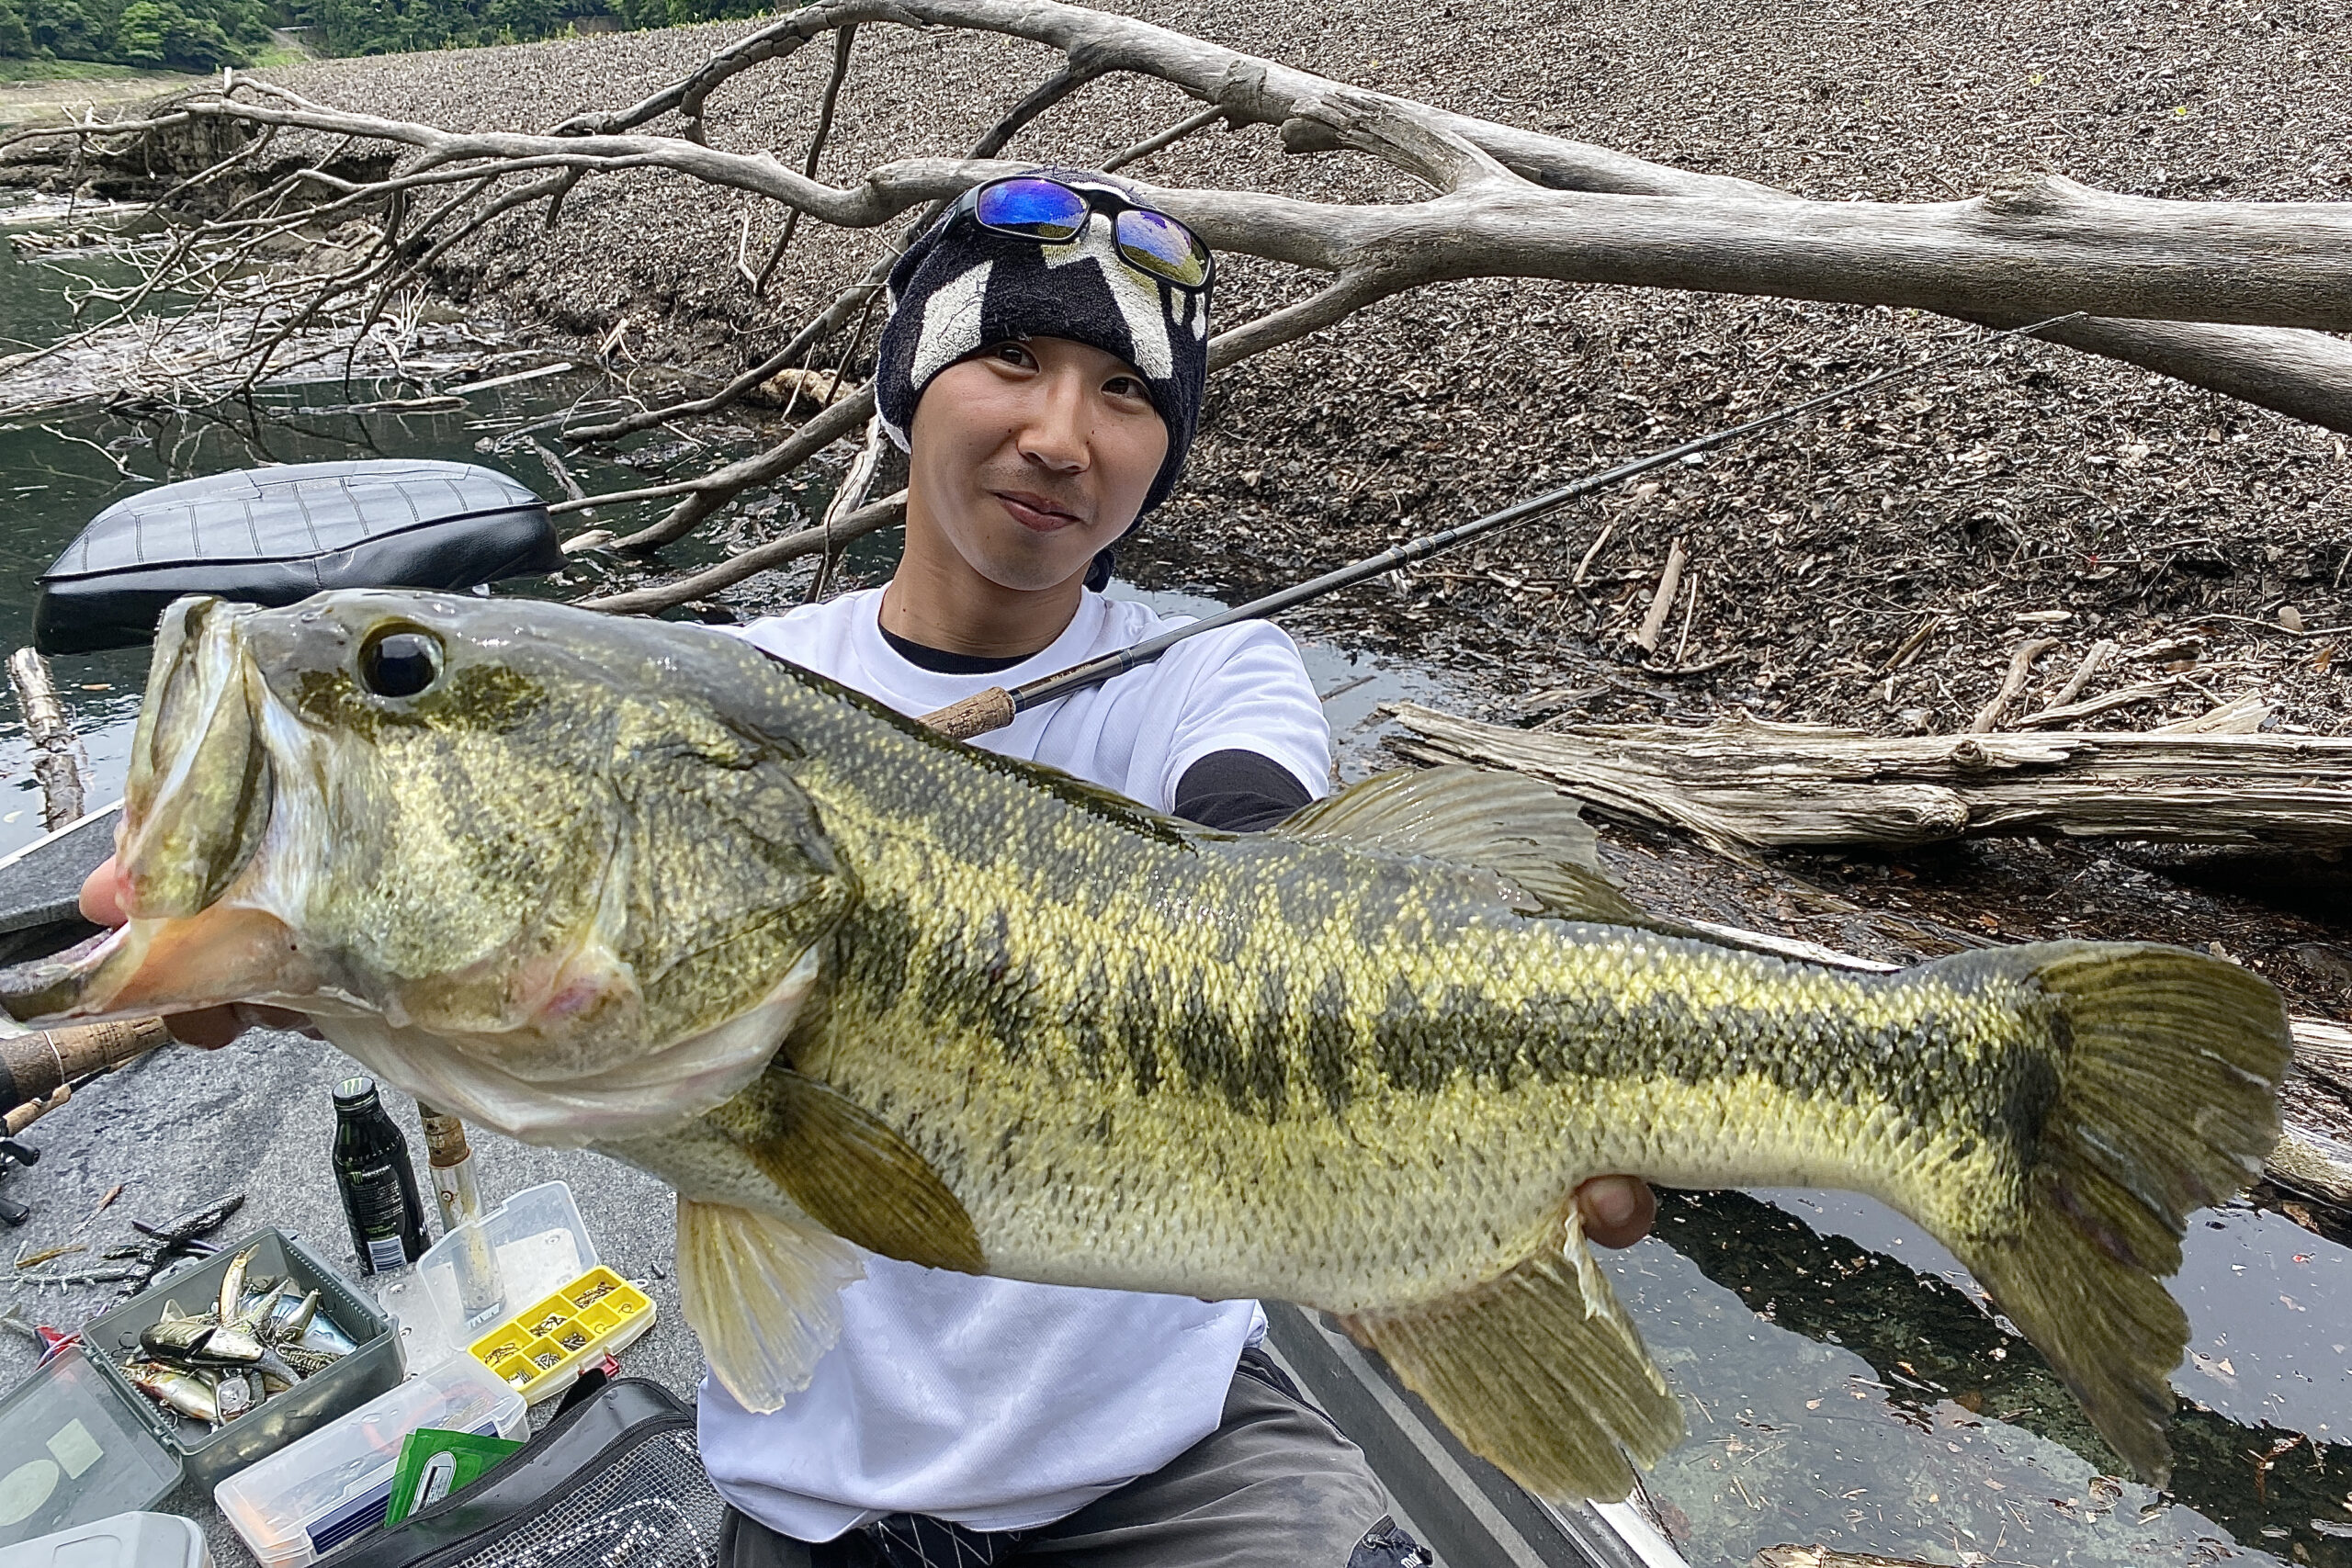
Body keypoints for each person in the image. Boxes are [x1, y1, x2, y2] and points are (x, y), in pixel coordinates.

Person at [79, 168, 1657, 1568]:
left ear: (1161, 452)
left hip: (1179, 1469)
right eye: (1011, 359)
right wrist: (312, 951)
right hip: (815, 1496)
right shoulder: (723, 684)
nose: (1058, 432)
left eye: (1125, 393)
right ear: (910, 391)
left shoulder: (1214, 673)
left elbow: (1251, 866)